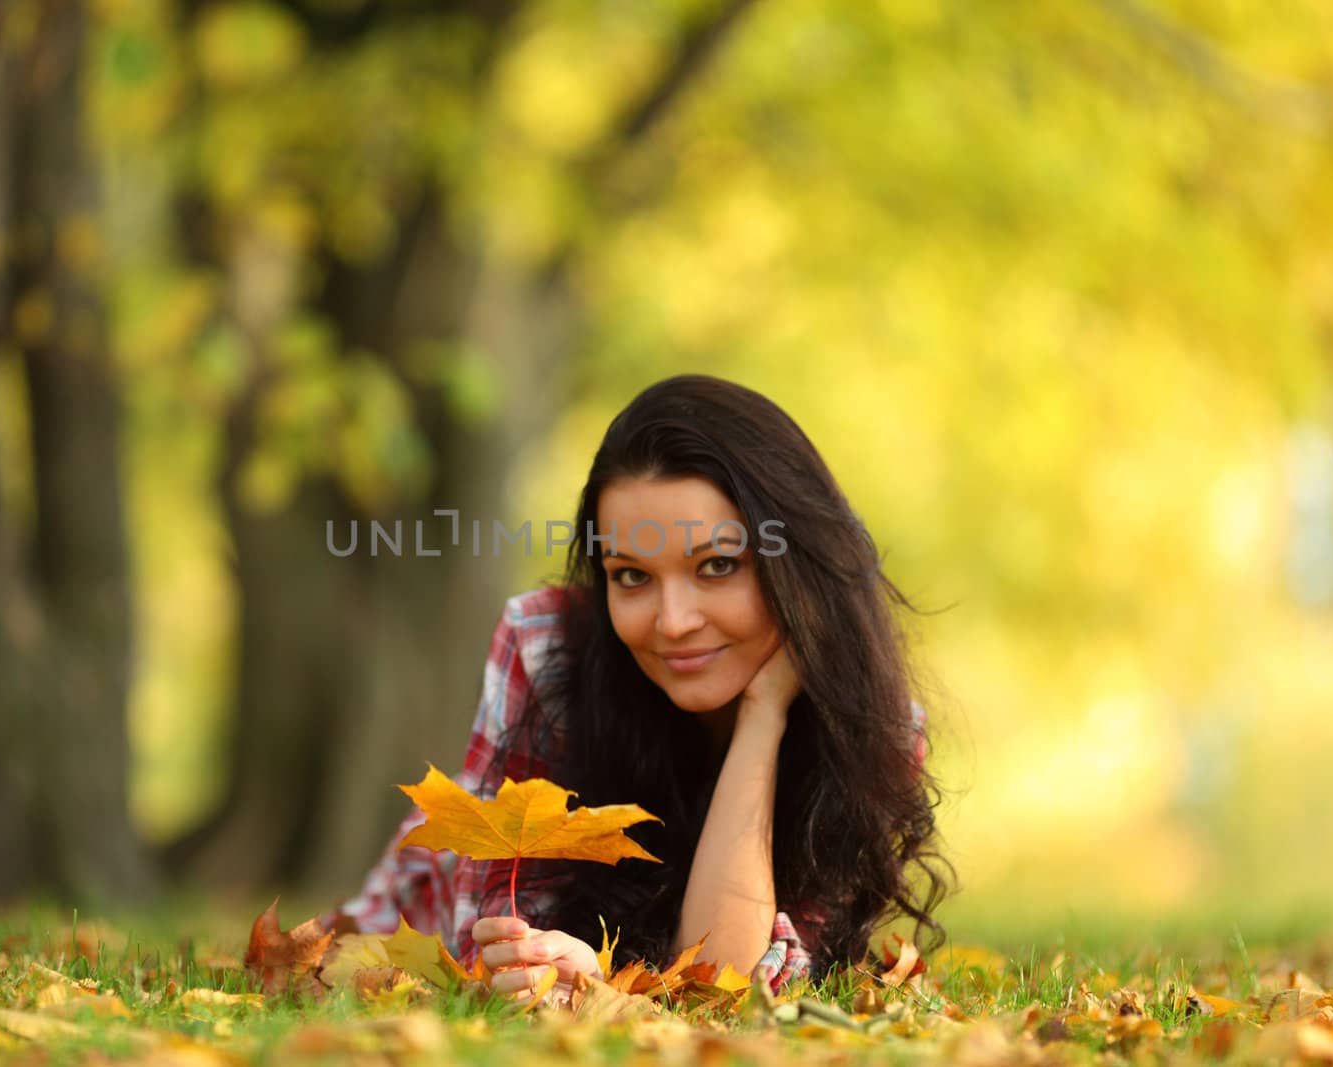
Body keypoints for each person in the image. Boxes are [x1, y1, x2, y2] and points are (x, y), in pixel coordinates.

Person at [323, 374, 949, 1002]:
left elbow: (726, 985)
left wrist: (763, 720)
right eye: (631, 576)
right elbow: (490, 954)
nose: (672, 622)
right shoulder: (546, 647)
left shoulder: (873, 730)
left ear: (800, 568)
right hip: (401, 928)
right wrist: (560, 969)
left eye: (718, 566)